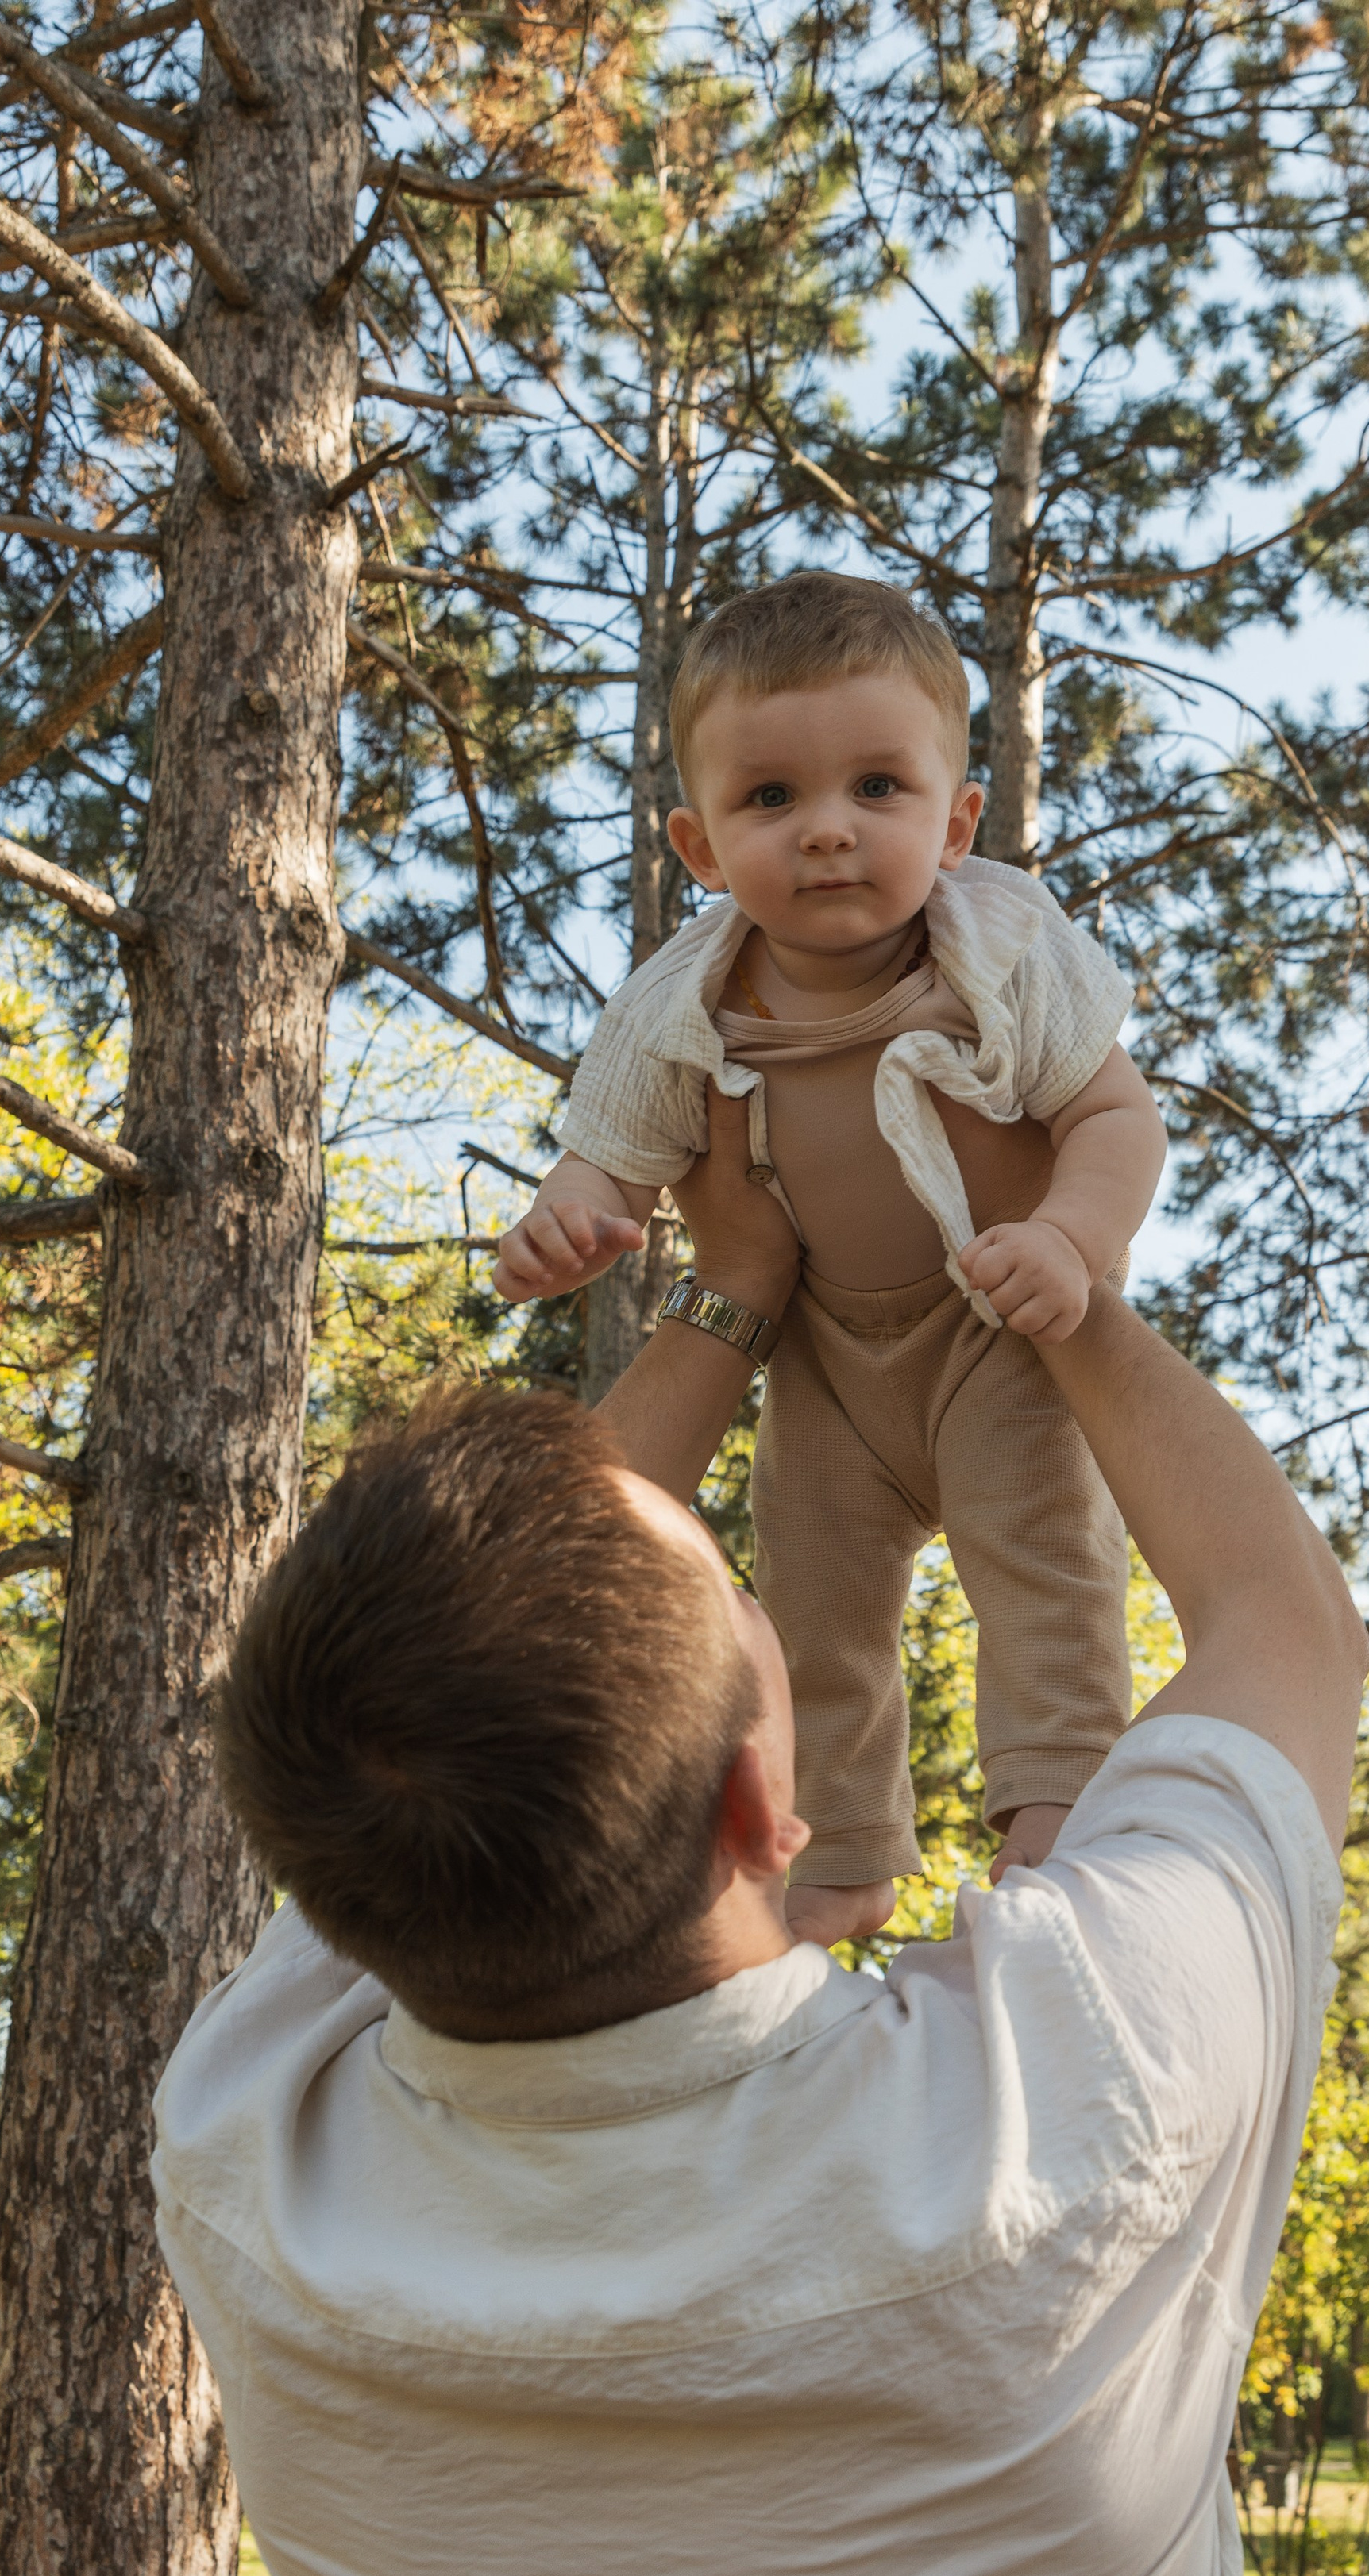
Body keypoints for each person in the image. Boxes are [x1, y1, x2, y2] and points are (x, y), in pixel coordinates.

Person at [154, 1096, 1369, 2576]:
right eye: (747, 1608)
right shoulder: (1076, 2101)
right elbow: (1280, 1621)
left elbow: (442, 1714)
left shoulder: (248, 2146)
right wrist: (1042, 1269)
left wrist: (729, 1300)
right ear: (757, 1794)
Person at [493, 574, 1166, 1950]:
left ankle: (1058, 1814)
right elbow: (610, 1152)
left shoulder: (1001, 944)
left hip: (998, 1326)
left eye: (876, 787)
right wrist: (568, 1219)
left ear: (957, 818)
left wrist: (1070, 1240)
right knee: (812, 1600)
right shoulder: (678, 1001)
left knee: (1039, 1558)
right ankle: (843, 1853)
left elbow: (1116, 1116)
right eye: (771, 801)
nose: (829, 833)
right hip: (823, 1359)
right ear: (696, 840)